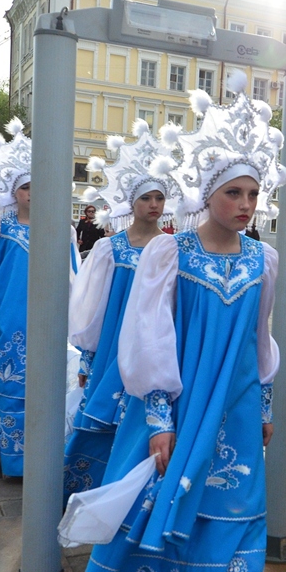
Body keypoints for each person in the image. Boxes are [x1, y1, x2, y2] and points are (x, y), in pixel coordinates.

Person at [57, 70, 286, 572]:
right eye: (233, 193)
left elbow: (261, 339)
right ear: (207, 194)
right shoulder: (169, 252)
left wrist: (263, 404)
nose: (245, 205)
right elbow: (148, 337)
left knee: (232, 513)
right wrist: (158, 414)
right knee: (153, 509)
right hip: (177, 405)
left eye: (253, 194)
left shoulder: (266, 258)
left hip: (234, 410)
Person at [64, 121, 178, 500]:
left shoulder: (174, 250)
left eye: (159, 198)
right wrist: (87, 359)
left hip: (155, 349)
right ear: (131, 201)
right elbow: (94, 310)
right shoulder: (109, 249)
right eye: (146, 198)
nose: (153, 205)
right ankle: (83, 489)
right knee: (103, 418)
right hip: (114, 347)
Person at [0, 118, 80, 477]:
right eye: (27, 187)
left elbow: (75, 277)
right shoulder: (0, 226)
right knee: (11, 386)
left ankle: (45, 456)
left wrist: (76, 317)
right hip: (10, 318)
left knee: (48, 386)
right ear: (15, 191)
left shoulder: (64, 228)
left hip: (51, 320)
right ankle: (15, 461)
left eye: (39, 185)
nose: (33, 192)